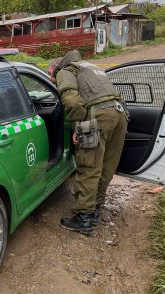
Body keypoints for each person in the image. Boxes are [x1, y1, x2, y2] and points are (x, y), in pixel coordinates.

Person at [48, 50, 129, 235]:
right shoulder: (89, 66)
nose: (52, 80)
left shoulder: (64, 71)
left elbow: (71, 101)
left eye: (49, 76)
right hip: (120, 115)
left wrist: (79, 126)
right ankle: (95, 209)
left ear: (53, 68)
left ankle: (84, 218)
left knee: (88, 167)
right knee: (107, 166)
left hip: (99, 117)